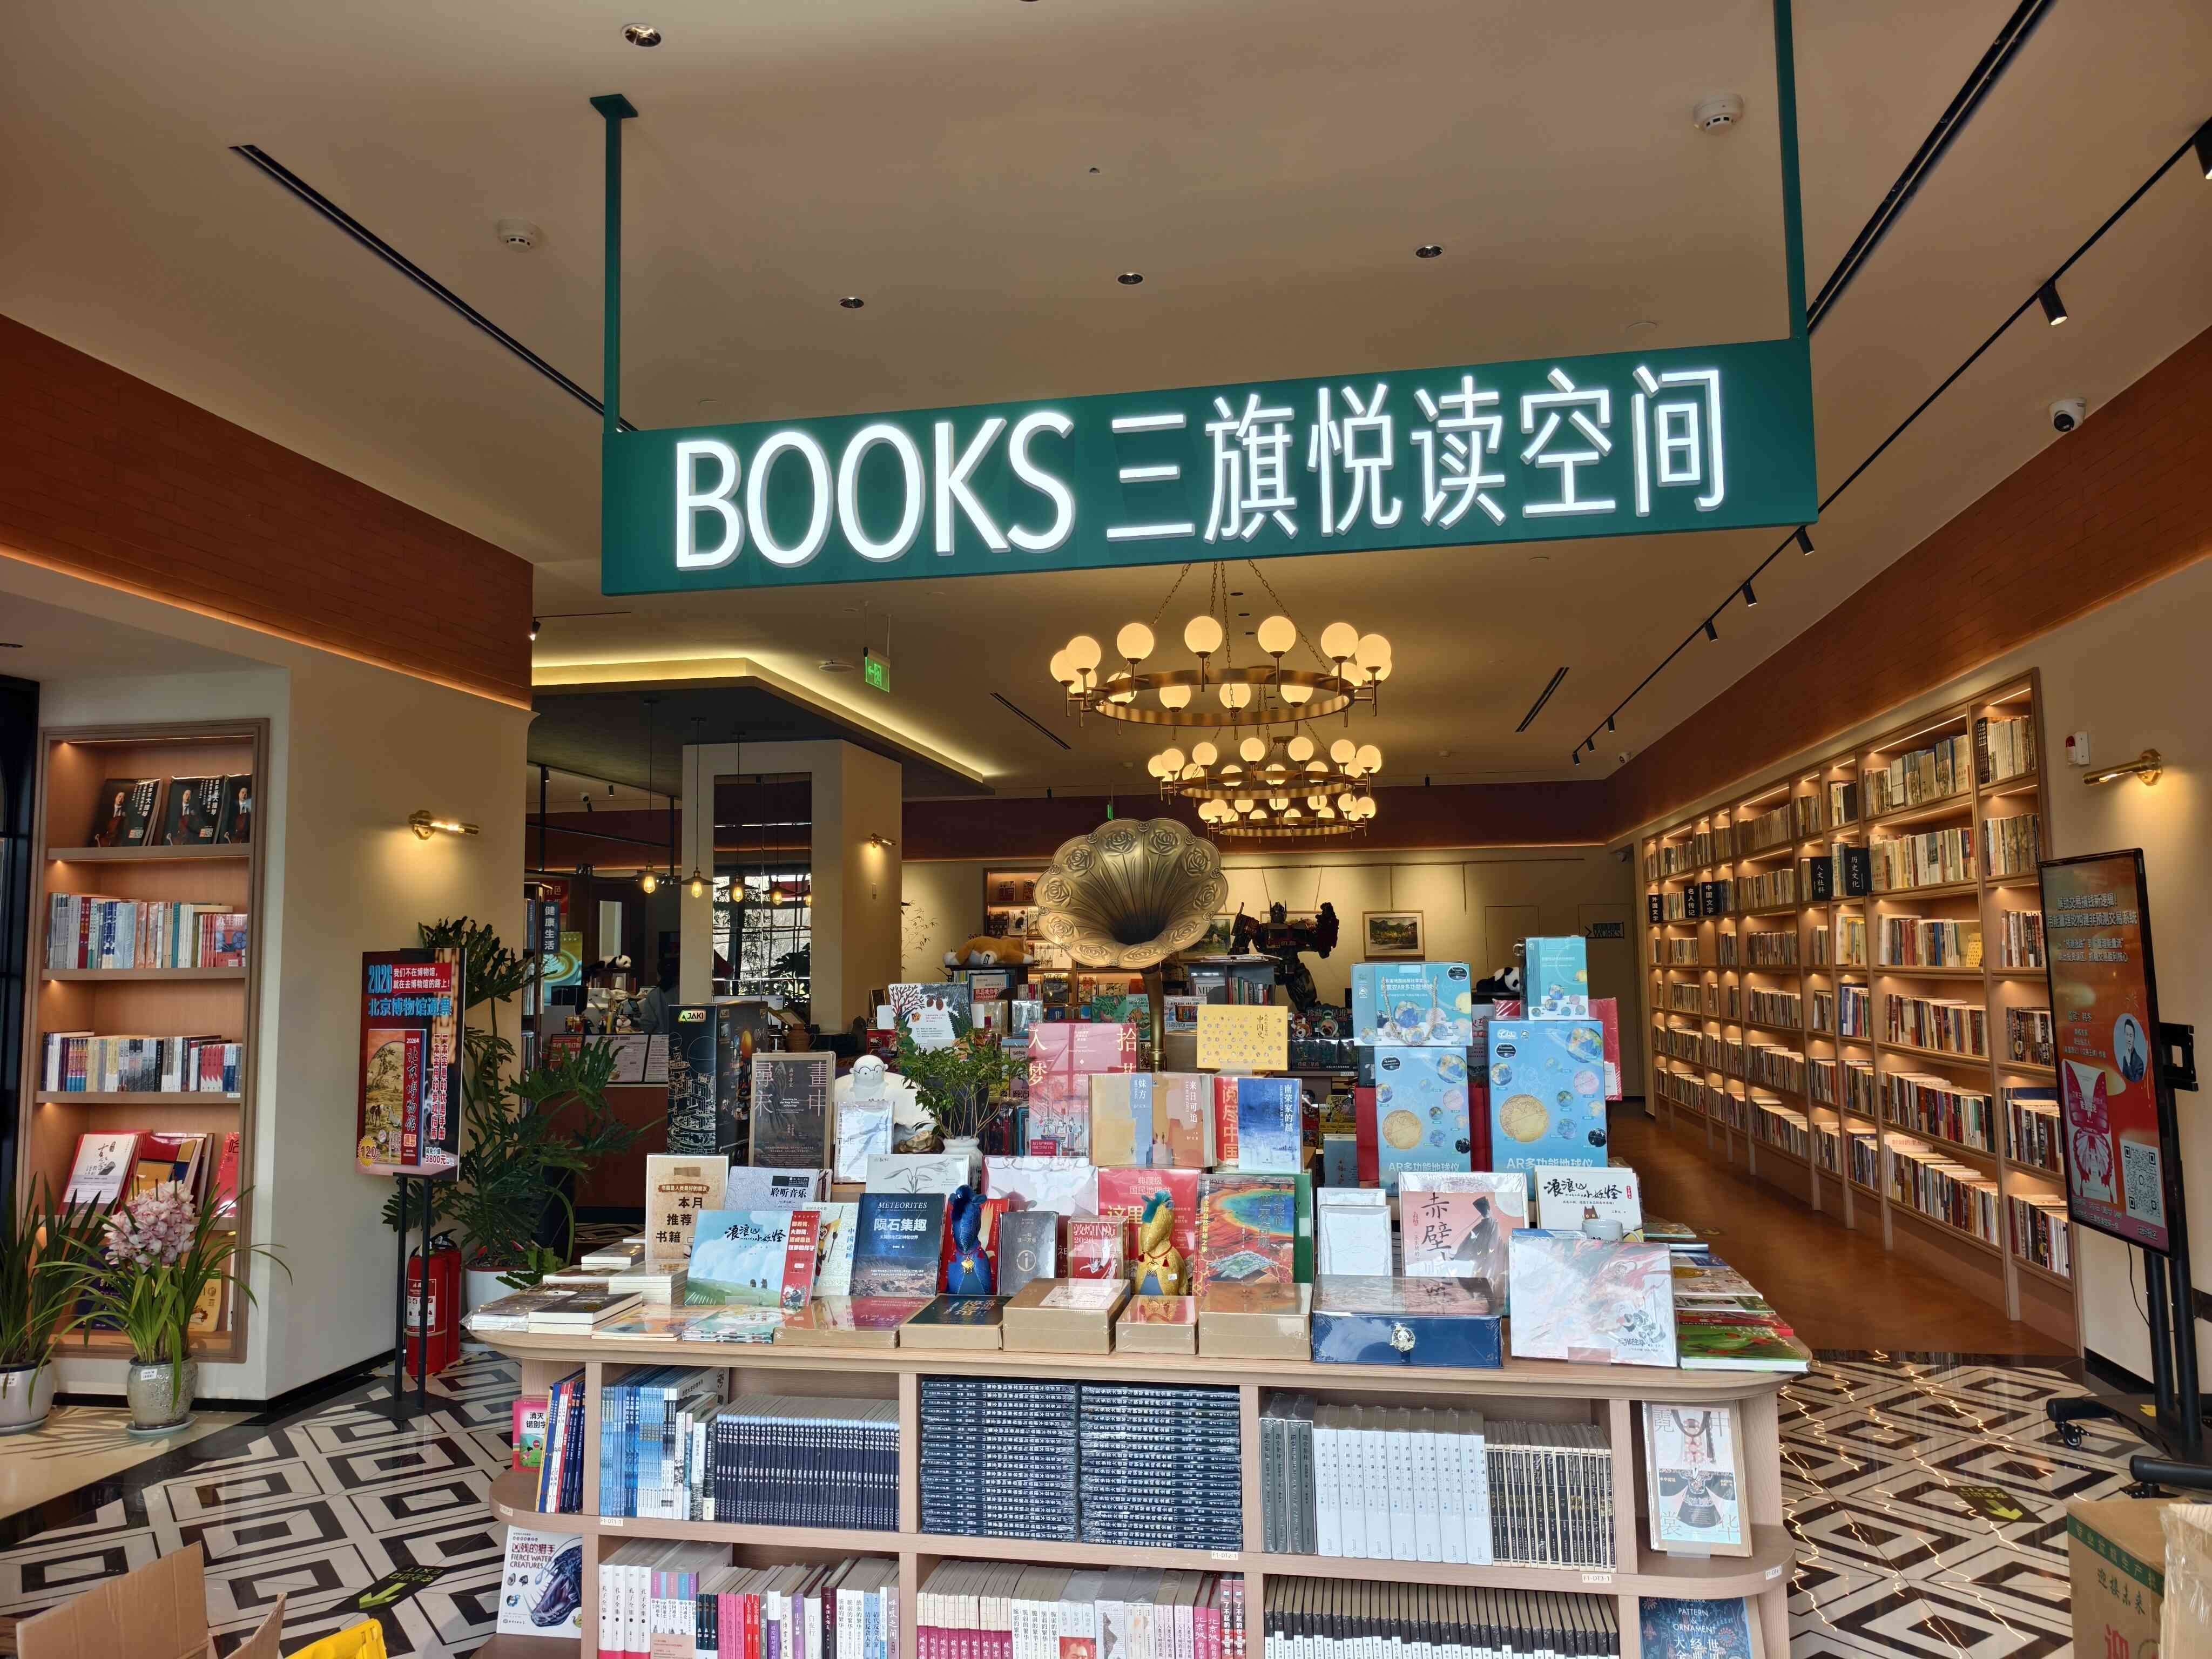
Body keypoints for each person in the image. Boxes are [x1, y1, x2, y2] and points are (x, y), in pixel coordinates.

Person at [634, 960, 678, 1035]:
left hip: (659, 1039)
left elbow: (647, 1025)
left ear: (658, 975)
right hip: (683, 1038)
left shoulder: (654, 995)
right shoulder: (684, 992)